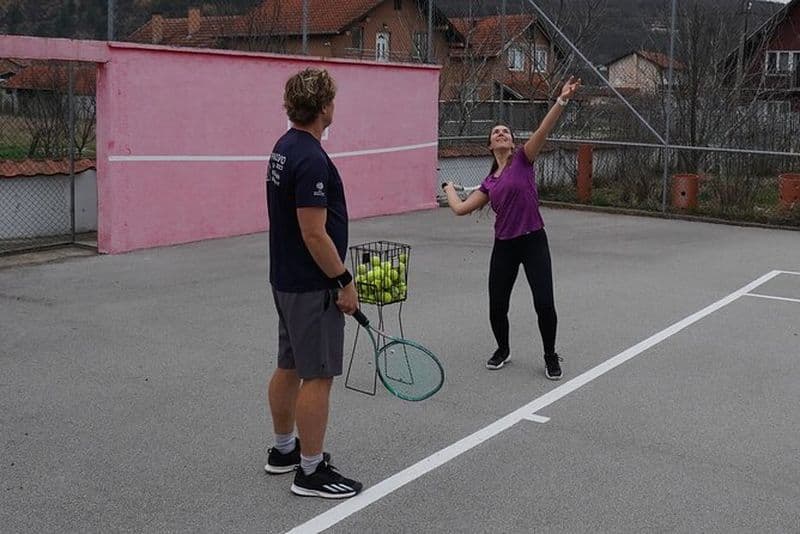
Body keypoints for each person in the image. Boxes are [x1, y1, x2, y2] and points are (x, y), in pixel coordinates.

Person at [263, 67, 362, 499]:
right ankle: (310, 471)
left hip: (286, 279)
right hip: (310, 284)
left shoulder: (284, 148)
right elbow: (314, 232)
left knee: (289, 365)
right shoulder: (311, 159)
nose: (334, 107)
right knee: (317, 375)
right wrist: (343, 279)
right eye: (332, 100)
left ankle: (284, 451)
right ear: (323, 107)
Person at [442, 76, 582, 380]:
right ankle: (502, 349)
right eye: (496, 132)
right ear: (491, 144)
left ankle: (550, 355)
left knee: (544, 303)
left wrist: (562, 99)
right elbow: (460, 208)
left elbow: (544, 129)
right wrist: (448, 186)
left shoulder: (524, 159)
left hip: (534, 241)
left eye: (505, 131)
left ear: (512, 141)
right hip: (504, 245)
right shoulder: (489, 184)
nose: (501, 133)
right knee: (497, 305)